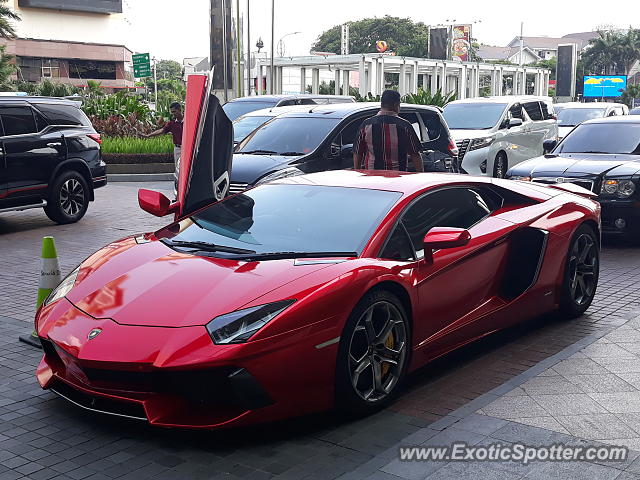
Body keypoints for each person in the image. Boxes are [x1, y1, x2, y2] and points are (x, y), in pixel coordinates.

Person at [353, 90, 424, 172]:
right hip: (398, 177)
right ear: (396, 105)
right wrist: (420, 174)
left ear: (382, 104)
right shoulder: (405, 126)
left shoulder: (366, 125)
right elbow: (415, 154)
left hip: (371, 178)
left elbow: (358, 152)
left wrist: (357, 172)